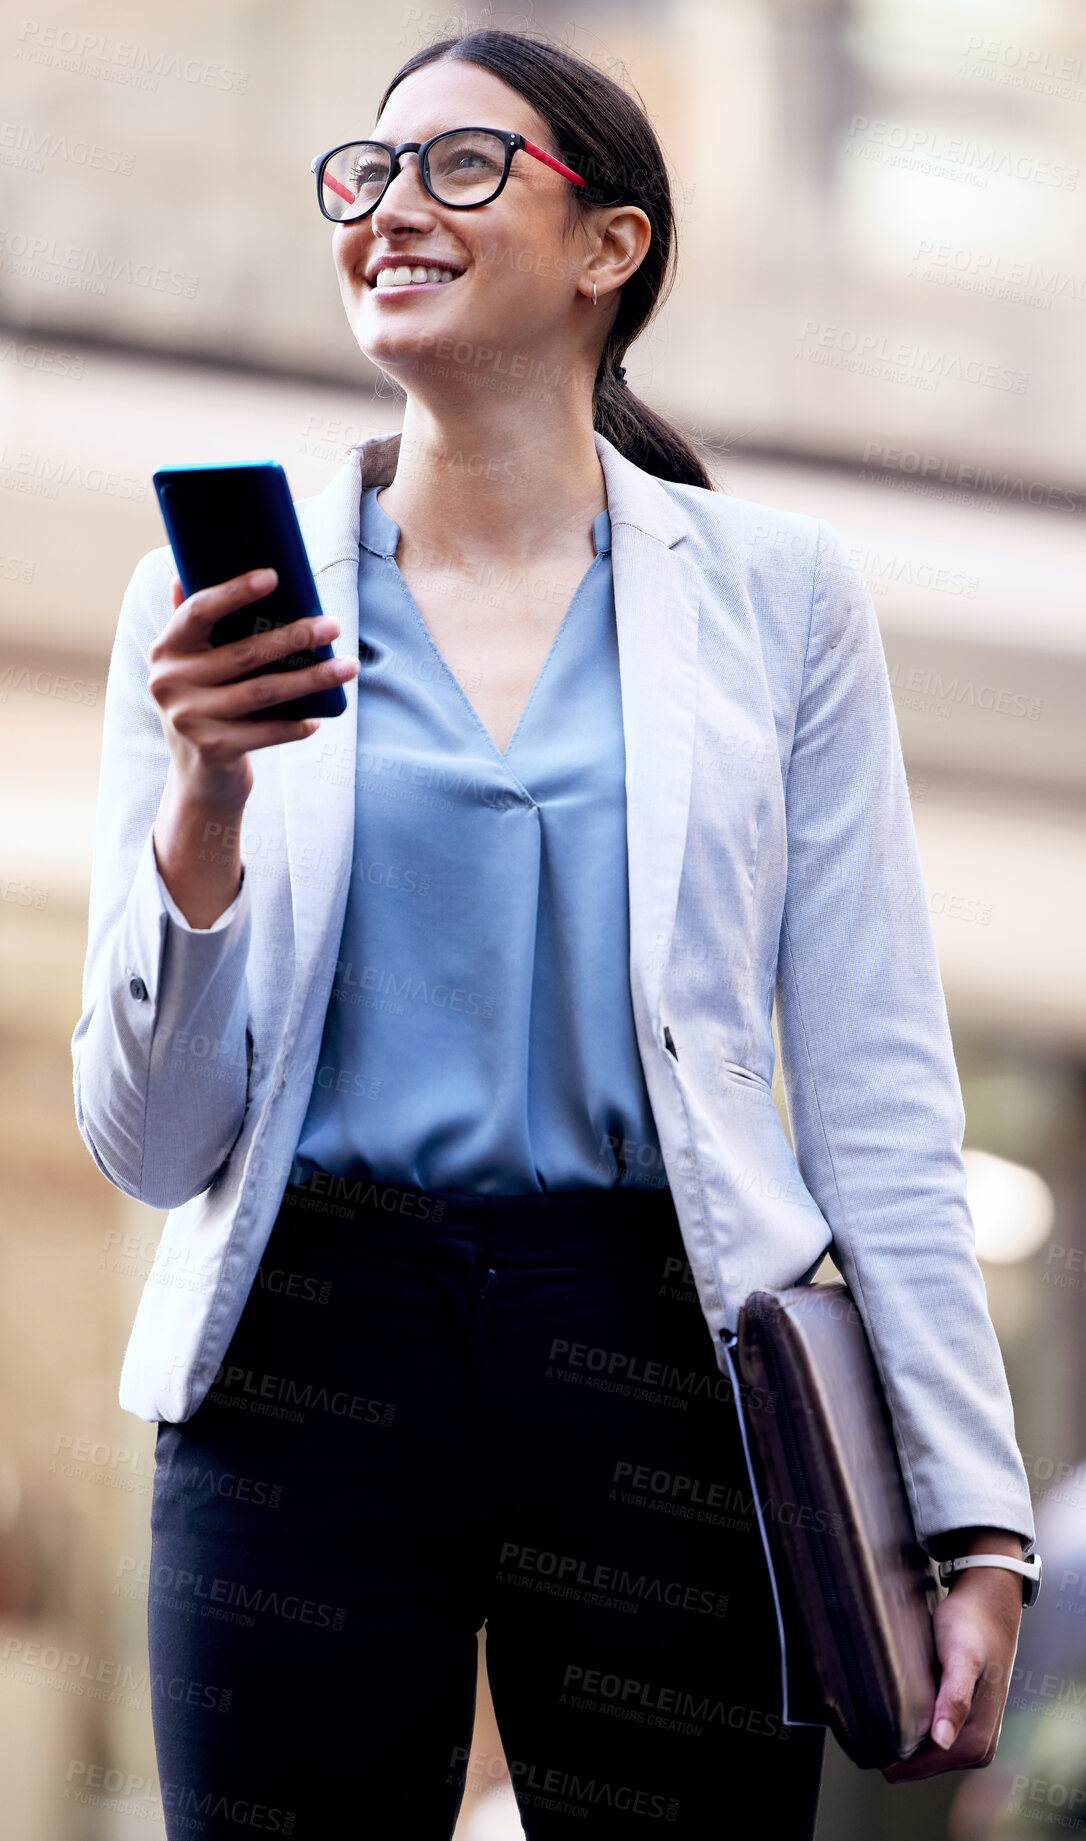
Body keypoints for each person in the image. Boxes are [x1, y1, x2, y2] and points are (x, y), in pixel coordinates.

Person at [71, 26, 1037, 1840]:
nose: (388, 211)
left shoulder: (775, 604)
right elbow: (150, 1144)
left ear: (612, 248)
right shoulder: (216, 597)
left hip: (661, 1347)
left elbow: (878, 1096)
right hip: (307, 1344)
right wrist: (202, 806)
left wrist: (971, 1513)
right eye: (362, 175)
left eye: (457, 167)